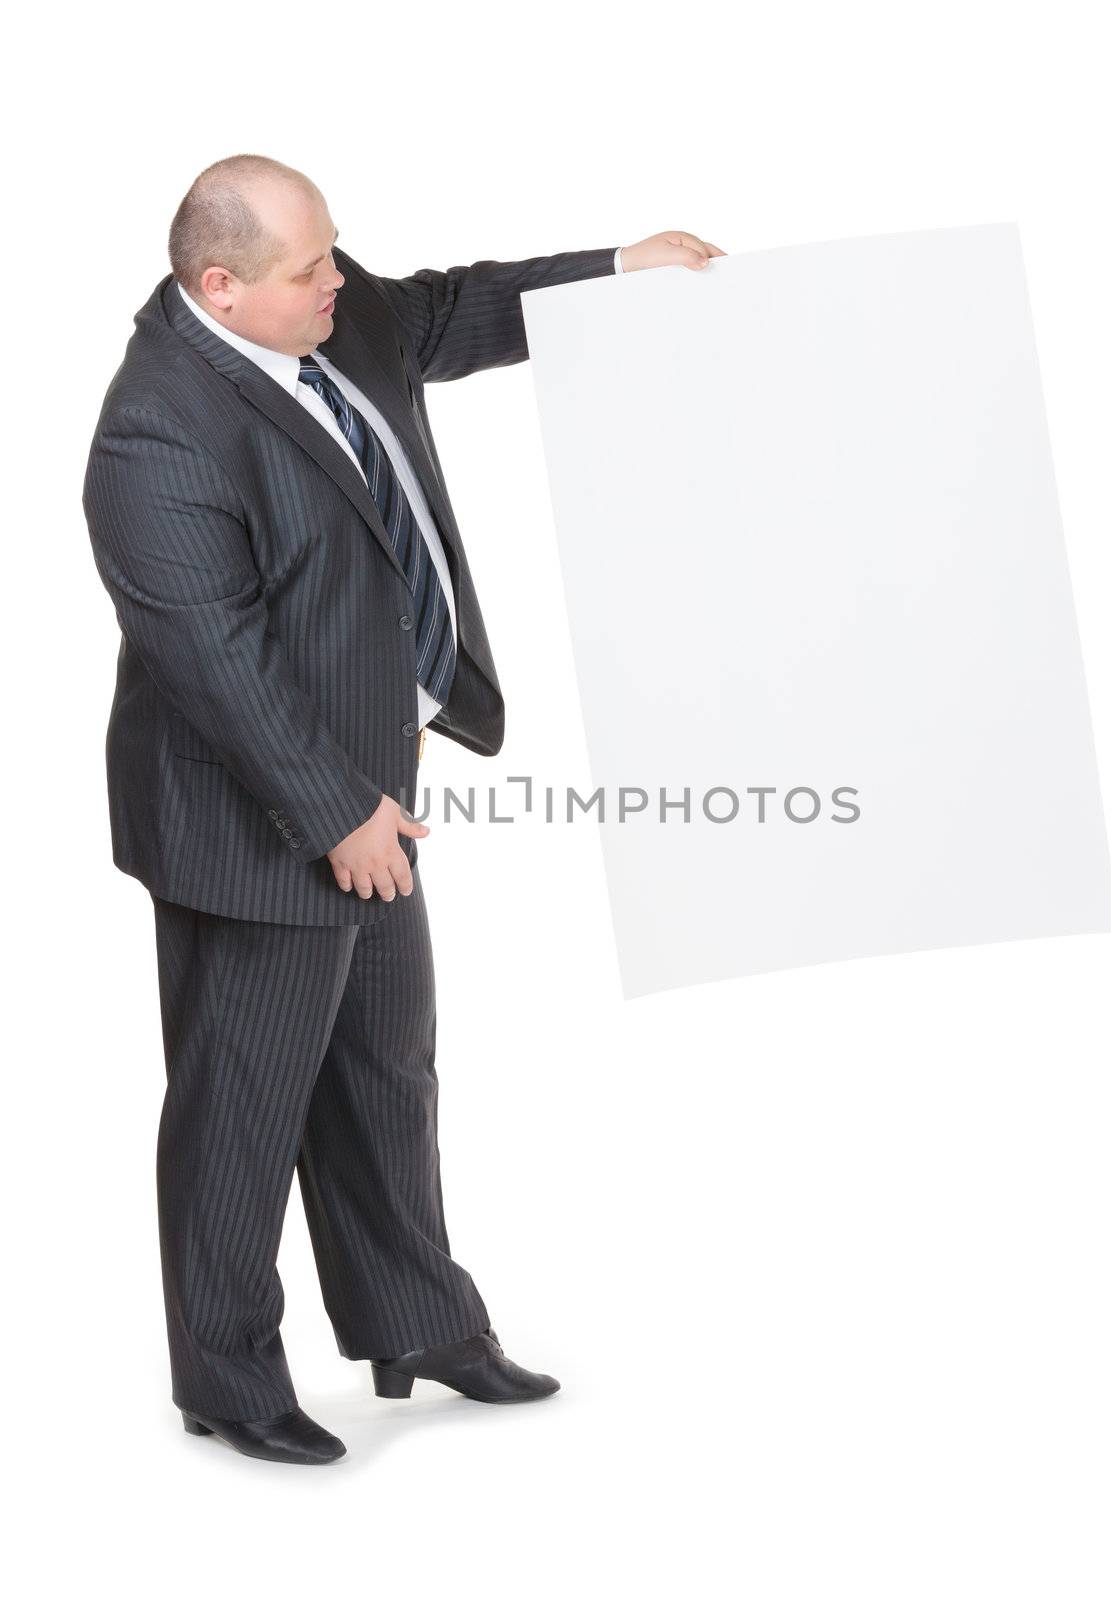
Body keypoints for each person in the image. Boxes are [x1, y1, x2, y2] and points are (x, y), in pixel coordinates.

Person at [81, 152, 723, 1466]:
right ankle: (227, 1376)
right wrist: (335, 815)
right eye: (310, 266)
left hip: (369, 787)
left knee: (384, 1067)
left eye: (334, 253)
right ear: (220, 286)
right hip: (257, 818)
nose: (341, 281)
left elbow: (452, 310)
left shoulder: (329, 310)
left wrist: (615, 274)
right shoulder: (157, 431)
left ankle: (416, 1322)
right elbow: (215, 657)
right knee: (245, 1102)